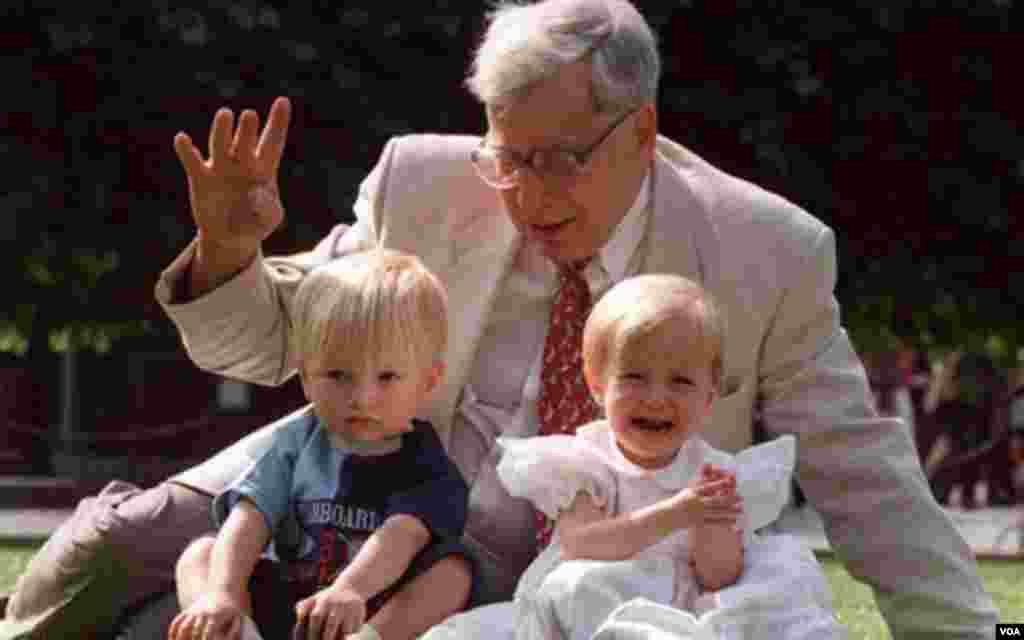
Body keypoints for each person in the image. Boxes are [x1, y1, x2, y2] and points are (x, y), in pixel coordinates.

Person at [1, 1, 997, 638]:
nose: (525, 190)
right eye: (506, 154)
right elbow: (271, 341)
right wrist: (228, 252)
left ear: (641, 132)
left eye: (561, 158)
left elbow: (861, 471)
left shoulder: (768, 250)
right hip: (351, 481)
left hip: (546, 569)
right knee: (107, 543)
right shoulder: (425, 181)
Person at [423, 274, 844, 640]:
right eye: (635, 378)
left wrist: (711, 526)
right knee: (576, 587)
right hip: (598, 590)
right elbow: (581, 544)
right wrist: (676, 512)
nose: (656, 398)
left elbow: (718, 576)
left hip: (682, 599)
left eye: (680, 382)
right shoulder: (586, 464)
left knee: (773, 590)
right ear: (597, 384)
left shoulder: (712, 473)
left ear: (709, 395)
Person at [169, 249, 473, 640]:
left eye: (387, 377)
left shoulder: (423, 460)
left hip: (369, 604)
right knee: (200, 554)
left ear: (428, 381)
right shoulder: (297, 443)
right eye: (338, 375)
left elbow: (402, 535)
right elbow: (250, 516)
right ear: (307, 377)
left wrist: (351, 590)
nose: (362, 397)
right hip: (290, 600)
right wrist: (223, 592)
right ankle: (234, 628)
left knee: (454, 572)